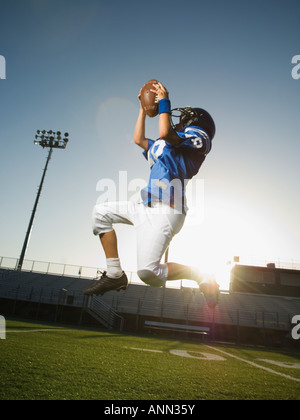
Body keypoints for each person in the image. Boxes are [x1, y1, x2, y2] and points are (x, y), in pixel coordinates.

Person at [84, 82, 219, 308]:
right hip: (144, 205)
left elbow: (165, 132)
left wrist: (164, 102)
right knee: (100, 213)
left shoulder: (199, 137)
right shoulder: (163, 145)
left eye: (185, 117)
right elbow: (139, 140)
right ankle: (115, 274)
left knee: (149, 273)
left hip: (168, 209)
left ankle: (200, 275)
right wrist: (142, 110)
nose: (179, 118)